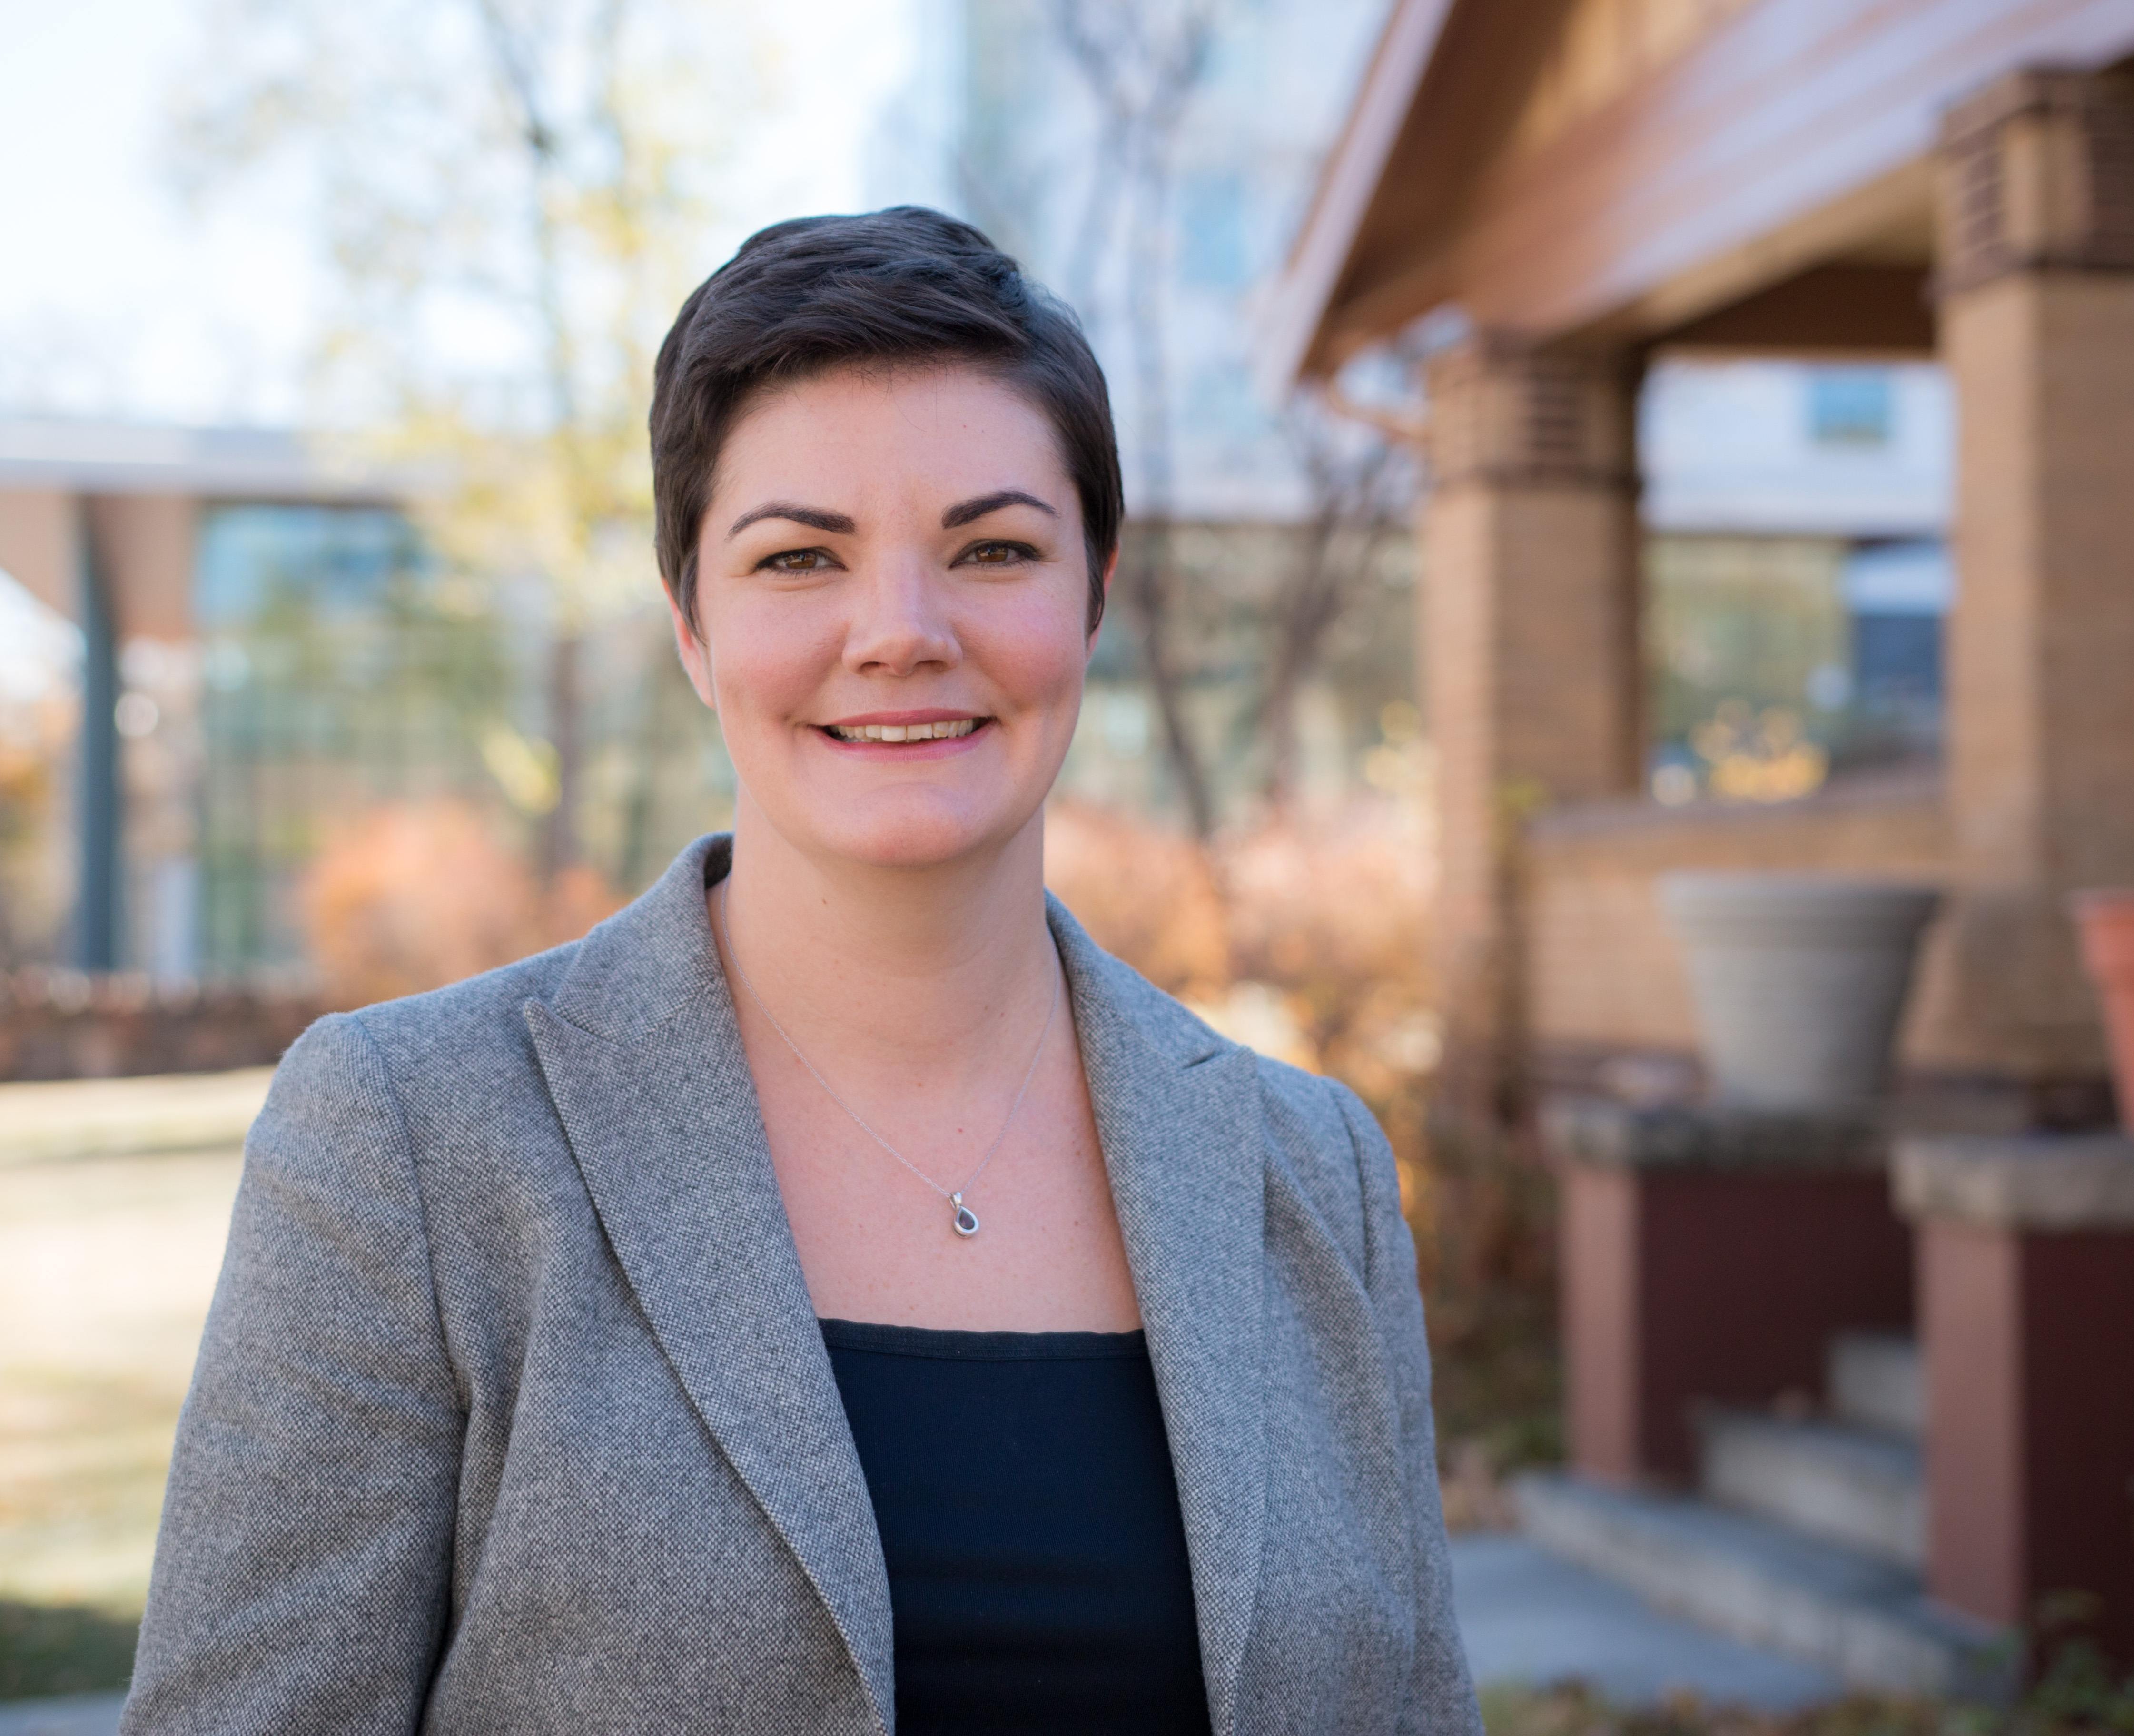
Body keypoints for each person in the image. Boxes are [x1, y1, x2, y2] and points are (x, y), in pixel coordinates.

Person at [120, 206, 1478, 1736]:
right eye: (798, 558)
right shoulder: (414, 1143)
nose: (899, 632)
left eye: (993, 548)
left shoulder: (1314, 1175)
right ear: (693, 625)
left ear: (1093, 593)